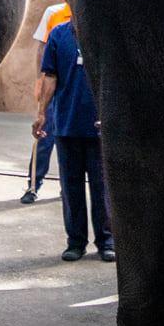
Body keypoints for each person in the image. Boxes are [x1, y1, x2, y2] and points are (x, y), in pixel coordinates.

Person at [35, 15, 113, 262]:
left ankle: (107, 241)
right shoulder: (58, 34)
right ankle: (76, 242)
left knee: (102, 188)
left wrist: (109, 112)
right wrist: (41, 114)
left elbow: (114, 77)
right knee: (71, 188)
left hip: (99, 127)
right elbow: (49, 76)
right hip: (66, 125)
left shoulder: (104, 30)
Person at [20, 1, 71, 204]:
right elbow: (42, 47)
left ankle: (67, 189)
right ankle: (33, 185)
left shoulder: (89, 10)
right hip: (52, 84)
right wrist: (39, 81)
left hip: (73, 87)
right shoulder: (54, 12)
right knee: (43, 137)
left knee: (69, 140)